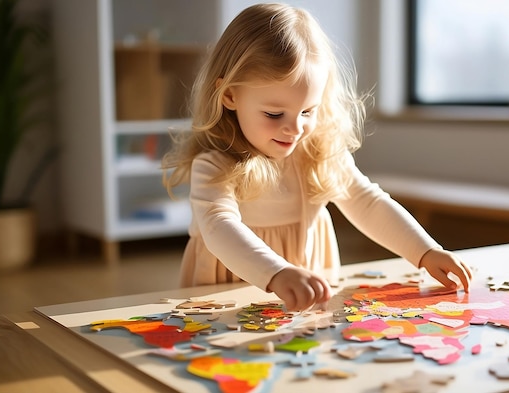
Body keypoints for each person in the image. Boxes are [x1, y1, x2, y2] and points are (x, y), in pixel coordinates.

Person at [162, 3, 472, 312]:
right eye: (274, 113)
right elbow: (219, 227)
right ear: (230, 95)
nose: (295, 129)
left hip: (304, 284)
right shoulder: (215, 163)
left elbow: (367, 201)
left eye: (308, 111)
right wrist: (276, 272)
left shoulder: (316, 153)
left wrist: (426, 250)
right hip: (227, 286)